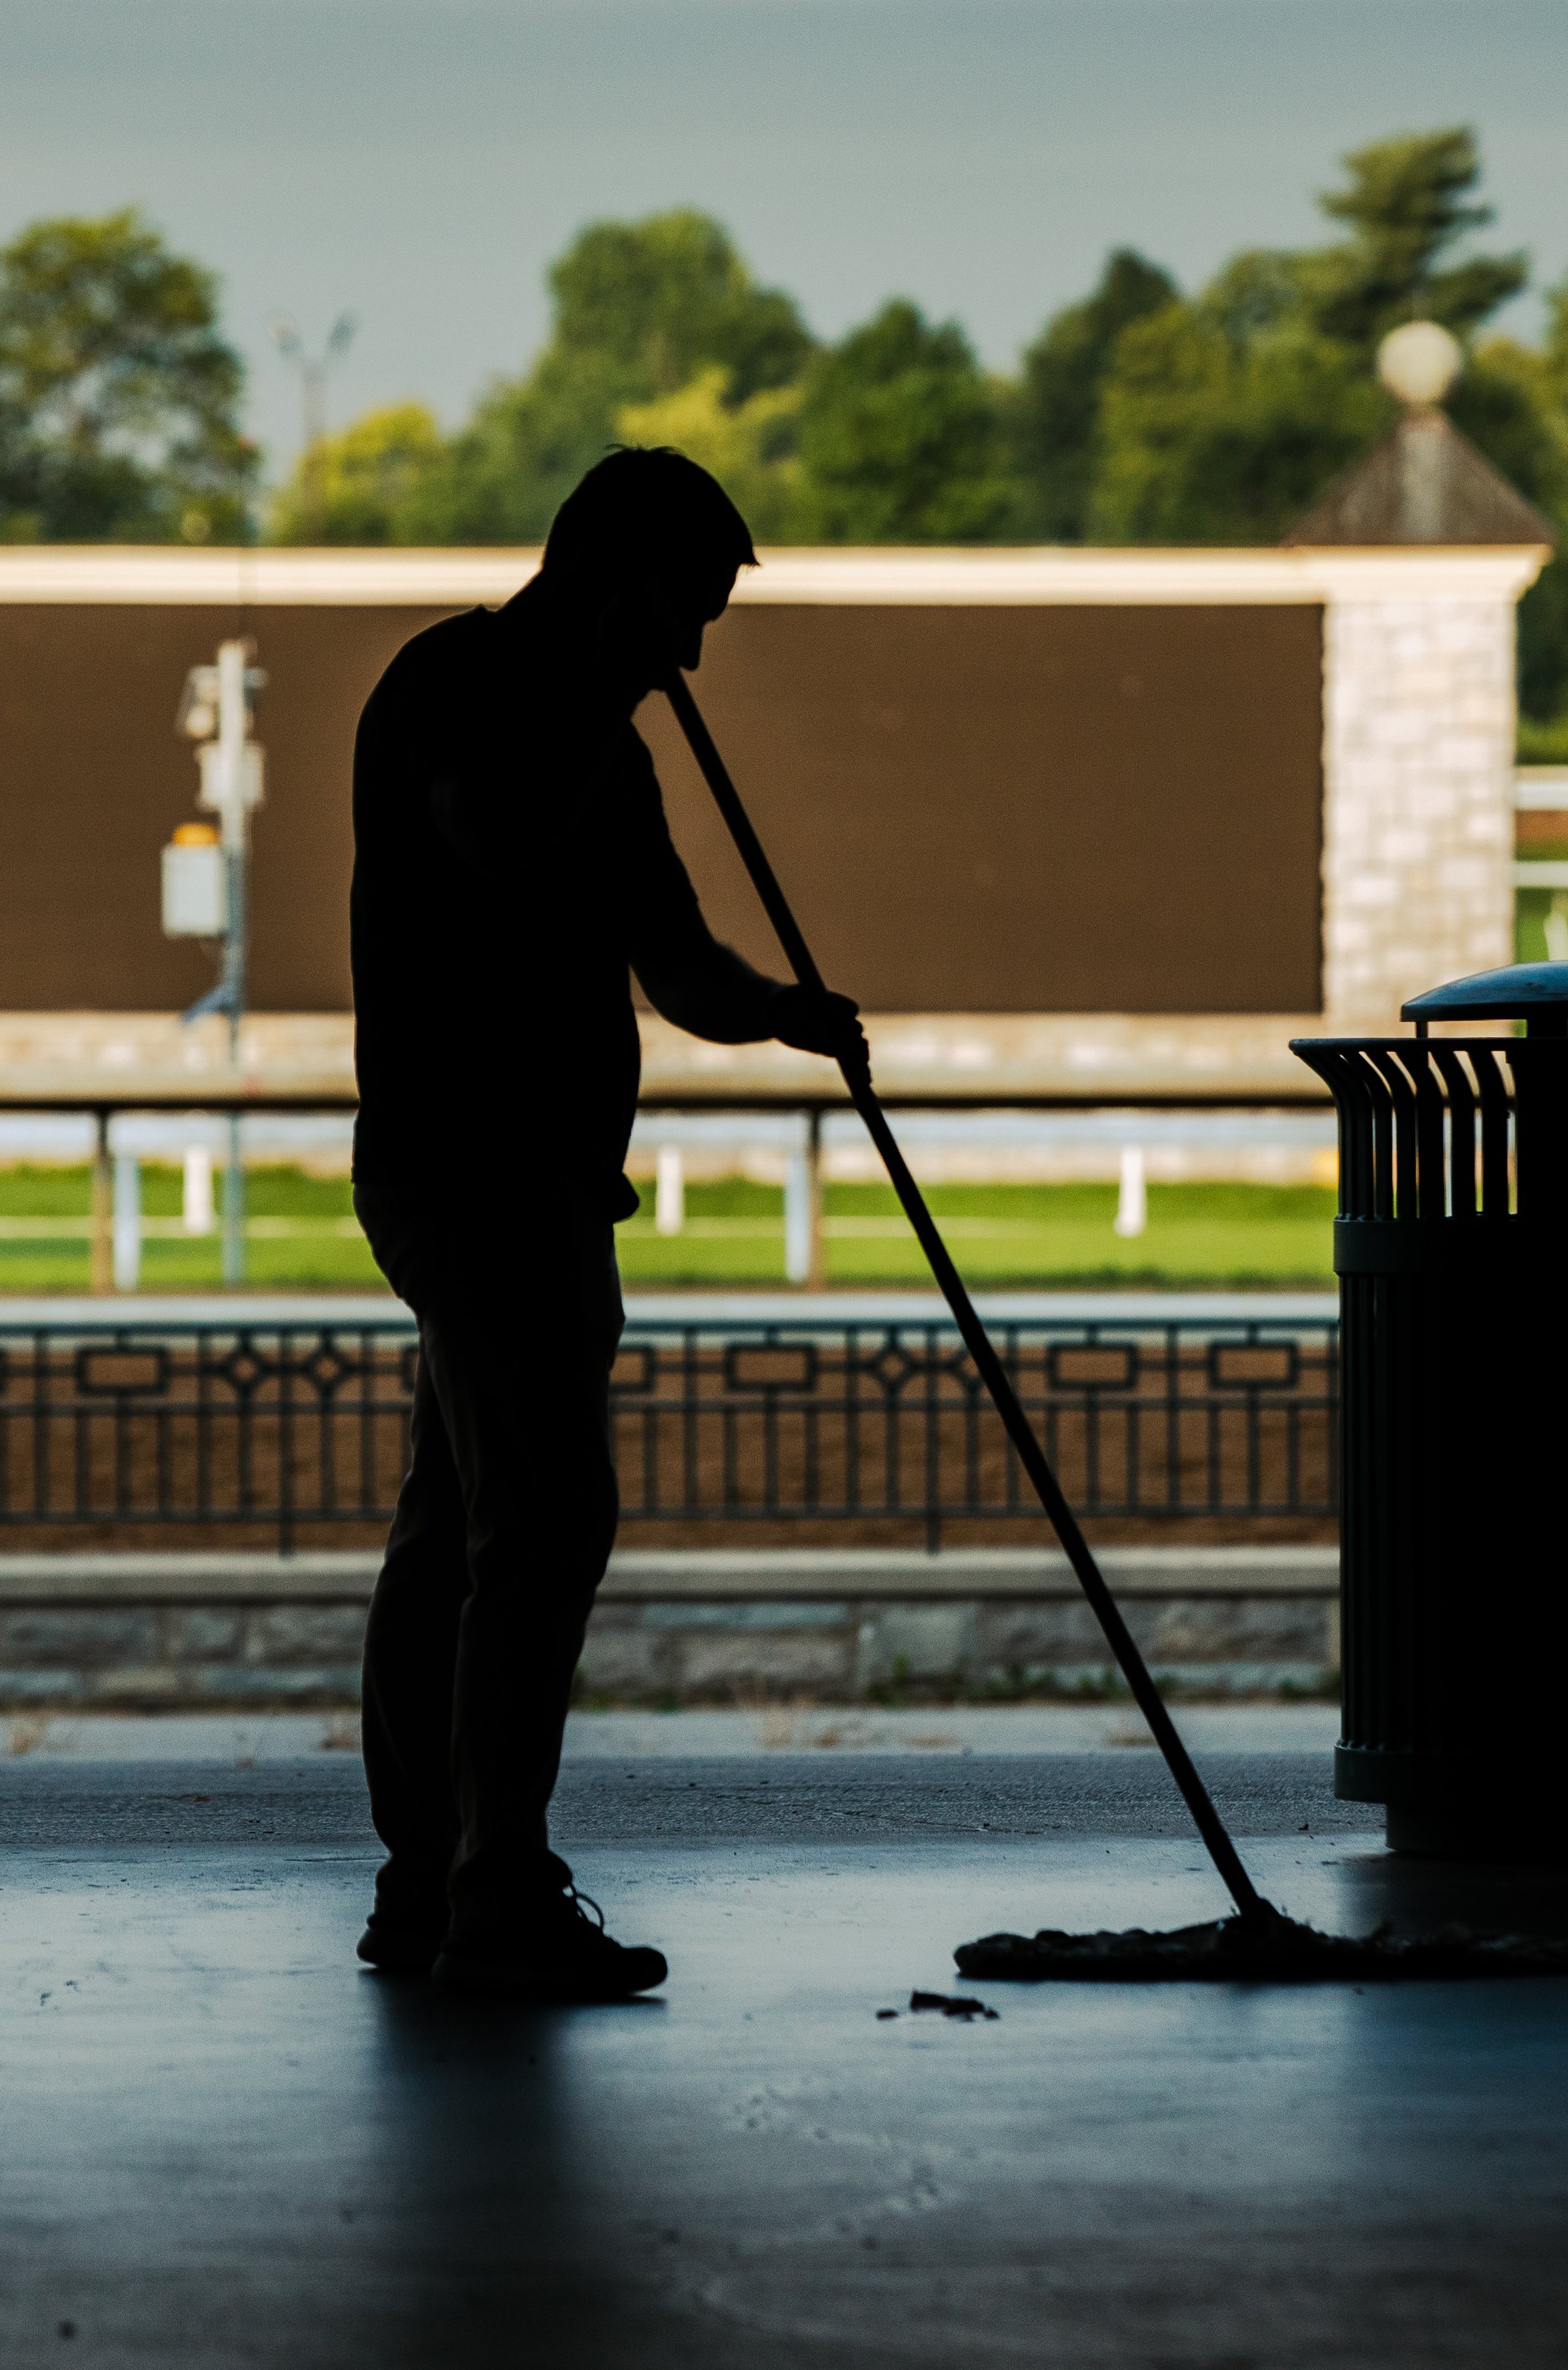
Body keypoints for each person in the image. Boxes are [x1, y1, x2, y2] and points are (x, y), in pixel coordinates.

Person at [348, 448, 864, 1999]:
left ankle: (432, 1884)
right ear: (614, 582)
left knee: (463, 1523)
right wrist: (594, 698)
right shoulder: (455, 684)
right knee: (545, 1517)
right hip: (466, 1172)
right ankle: (488, 1884)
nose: (691, 655)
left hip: (550, 1183)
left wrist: (786, 1014)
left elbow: (676, 963)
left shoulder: (614, 747)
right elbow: (490, 843)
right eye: (681, 612)